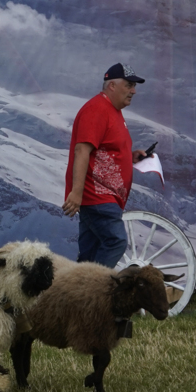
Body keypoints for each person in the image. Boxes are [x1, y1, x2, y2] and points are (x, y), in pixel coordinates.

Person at [63, 63, 148, 268]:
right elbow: (82, 150)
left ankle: (80, 287)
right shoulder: (97, 109)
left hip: (103, 196)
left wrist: (129, 157)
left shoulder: (112, 110)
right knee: (115, 241)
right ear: (112, 85)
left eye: (134, 86)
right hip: (97, 196)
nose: (134, 91)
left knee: (89, 255)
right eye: (129, 85)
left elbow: (104, 150)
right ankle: (96, 285)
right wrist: (77, 192)